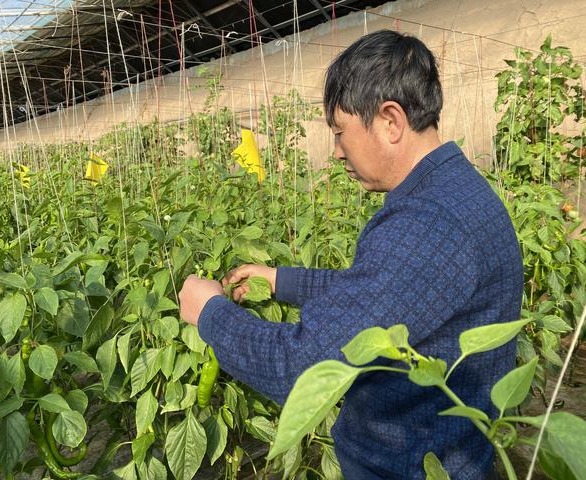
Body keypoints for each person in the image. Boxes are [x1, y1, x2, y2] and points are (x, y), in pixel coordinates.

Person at [178, 30, 523, 479]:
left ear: (390, 121)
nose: (337, 151)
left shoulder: (428, 222)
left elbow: (300, 368)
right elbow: (385, 293)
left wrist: (210, 314)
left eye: (341, 132)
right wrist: (282, 280)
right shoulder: (453, 193)